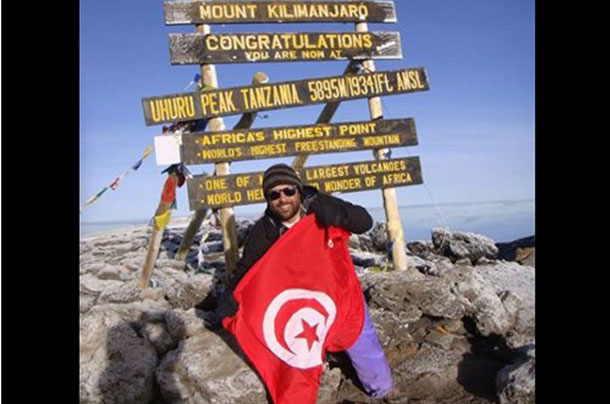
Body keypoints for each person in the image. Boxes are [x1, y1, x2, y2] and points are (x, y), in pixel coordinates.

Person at [227, 163, 406, 403]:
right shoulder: (264, 230)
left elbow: (364, 222)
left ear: (298, 190)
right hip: (298, 299)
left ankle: (382, 388)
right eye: (274, 194)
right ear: (268, 200)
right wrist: (230, 297)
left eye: (288, 191)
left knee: (360, 332)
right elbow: (248, 269)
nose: (283, 199)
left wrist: (339, 214)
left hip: (337, 289)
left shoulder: (319, 206)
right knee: (289, 349)